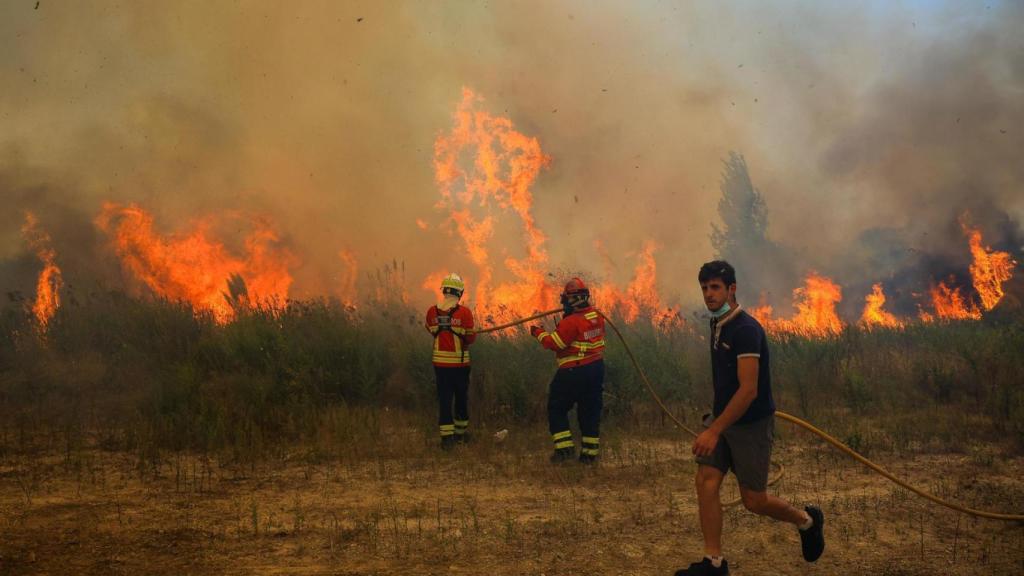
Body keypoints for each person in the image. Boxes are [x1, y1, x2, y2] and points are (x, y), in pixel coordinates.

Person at [675, 261, 825, 576]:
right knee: (706, 481)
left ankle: (807, 522)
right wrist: (717, 424)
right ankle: (714, 564)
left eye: (715, 287)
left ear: (732, 289)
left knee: (754, 501)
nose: (708, 294)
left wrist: (714, 431)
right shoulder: (717, 323)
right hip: (723, 419)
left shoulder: (745, 330)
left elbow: (748, 391)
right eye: (704, 288)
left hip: (749, 424)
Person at [530, 278, 605, 463]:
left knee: (557, 408)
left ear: (572, 300)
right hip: (596, 369)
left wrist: (538, 333)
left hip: (573, 372)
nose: (563, 303)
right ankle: (589, 456)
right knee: (589, 412)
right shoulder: (597, 316)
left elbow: (555, 343)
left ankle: (564, 452)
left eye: (565, 300)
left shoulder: (572, 322)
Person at [424, 273, 476, 449]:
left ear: (444, 291)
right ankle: (460, 435)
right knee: (461, 398)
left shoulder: (431, 312)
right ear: (459, 292)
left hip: (440, 366)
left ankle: (446, 440)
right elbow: (471, 339)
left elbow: (431, 330)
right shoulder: (465, 313)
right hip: (460, 366)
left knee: (444, 400)